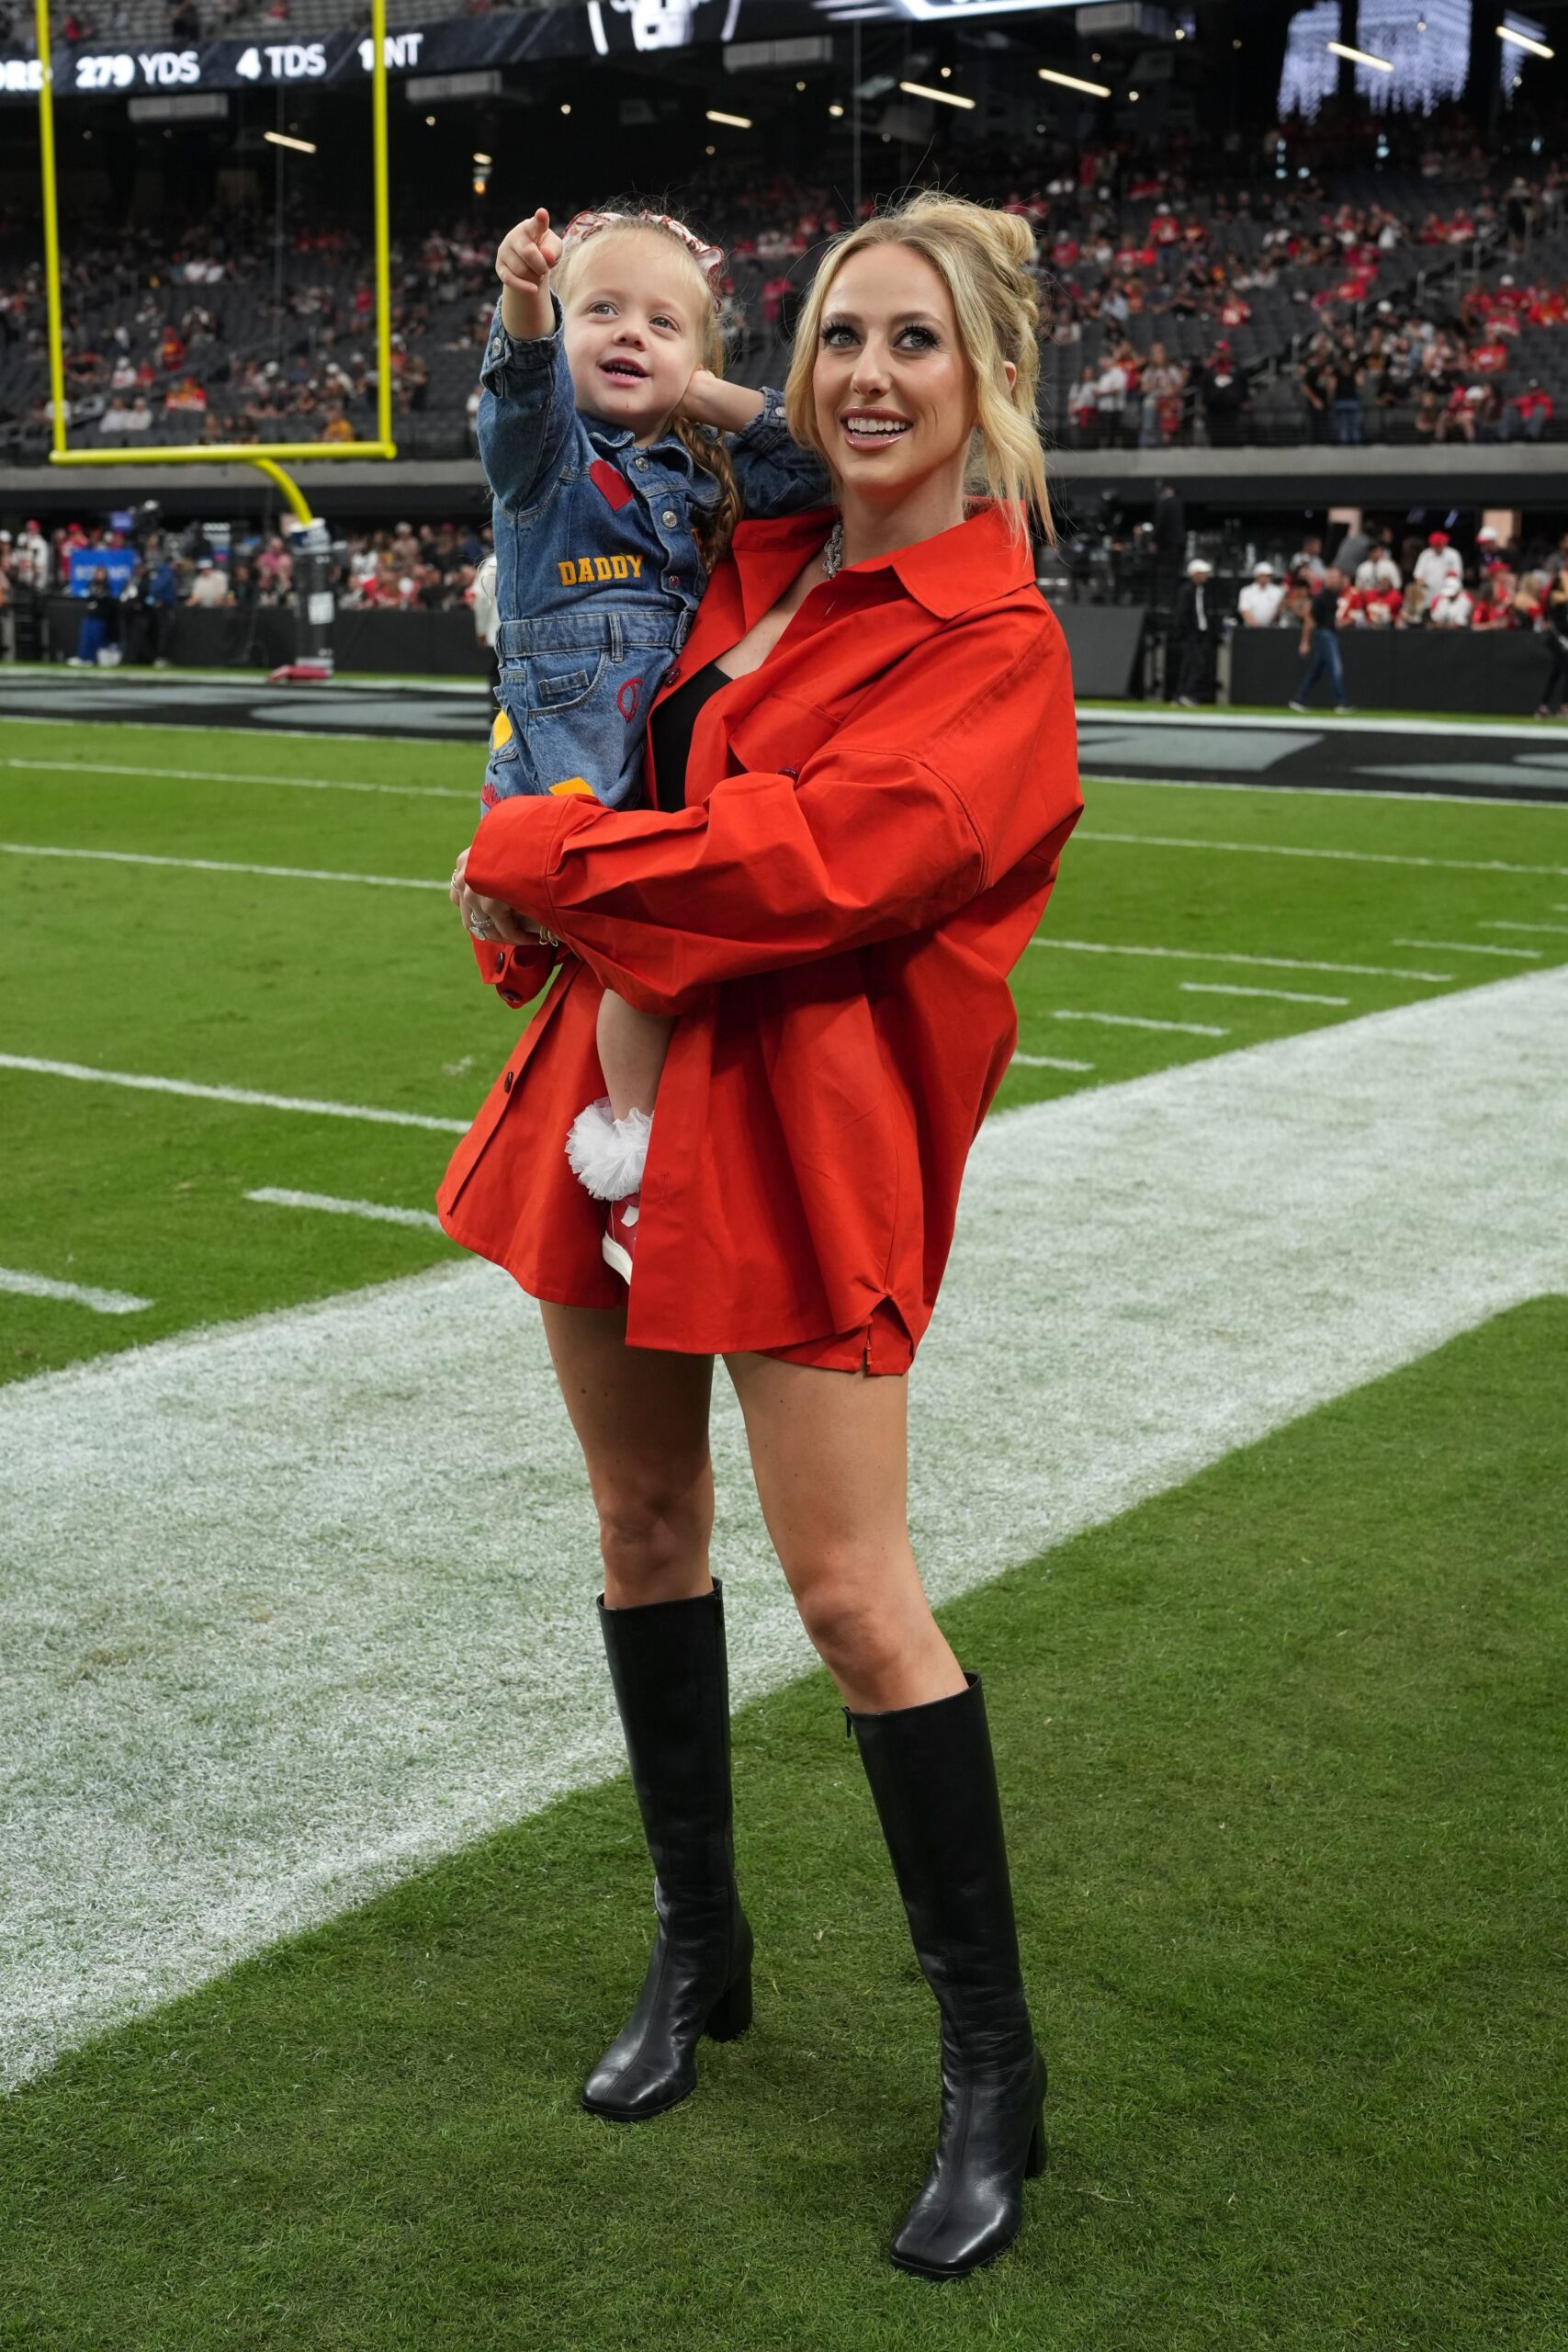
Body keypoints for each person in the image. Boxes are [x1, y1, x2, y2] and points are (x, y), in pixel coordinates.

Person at [441, 192, 1080, 2284]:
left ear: (987, 387)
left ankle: (988, 2069)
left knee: (848, 1590)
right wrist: (532, 878)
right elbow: (601, 689)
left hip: (798, 1137)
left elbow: (796, 870)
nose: (874, 374)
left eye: (917, 342)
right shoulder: (759, 550)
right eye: (845, 338)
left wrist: (542, 852)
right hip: (612, 1095)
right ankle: (695, 1945)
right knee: (641, 1533)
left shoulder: (995, 646)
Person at [478, 203, 825, 1280]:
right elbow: (521, 397)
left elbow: (808, 468)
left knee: (667, 963)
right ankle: (635, 1166)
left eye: (664, 324)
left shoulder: (688, 474)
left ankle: (643, 1153)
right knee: (643, 970)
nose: (632, 334)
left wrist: (705, 396)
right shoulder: (548, 472)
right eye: (604, 311)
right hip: (569, 775)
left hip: (655, 771)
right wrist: (528, 297)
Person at [1290, 565, 1353, 712]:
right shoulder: (1320, 598)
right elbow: (1309, 620)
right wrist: (1304, 642)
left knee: (1316, 671)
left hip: (1330, 632)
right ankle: (1342, 702)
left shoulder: (1336, 596)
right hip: (1324, 634)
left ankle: (1299, 698)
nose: (1334, 581)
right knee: (1336, 668)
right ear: (1325, 580)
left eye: (1336, 578)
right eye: (1331, 578)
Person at [1169, 555, 1214, 705]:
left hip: (1199, 634)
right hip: (1190, 634)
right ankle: (1184, 694)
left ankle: (1184, 694)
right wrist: (1185, 632)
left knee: (1195, 665)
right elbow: (1182, 613)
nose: (1206, 576)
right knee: (1191, 665)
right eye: (1203, 573)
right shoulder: (1186, 590)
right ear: (1195, 573)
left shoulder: (1203, 591)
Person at [1535, 567, 1568, 716]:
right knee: (1563, 669)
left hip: (1565, 636)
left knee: (1557, 671)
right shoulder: (1555, 594)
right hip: (1556, 637)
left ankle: (1544, 706)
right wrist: (1563, 576)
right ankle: (1563, 707)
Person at [1237, 560, 1284, 627]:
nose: (1268, 578)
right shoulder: (1246, 591)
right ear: (1257, 576)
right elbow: (1244, 611)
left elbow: (1279, 612)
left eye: (1269, 575)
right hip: (1251, 630)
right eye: (1265, 575)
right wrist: (1256, 627)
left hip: (1272, 629)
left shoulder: (1278, 591)